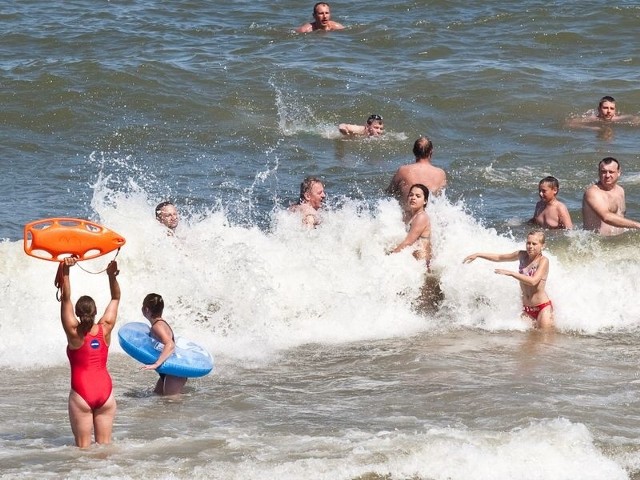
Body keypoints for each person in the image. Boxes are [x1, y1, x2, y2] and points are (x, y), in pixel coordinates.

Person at [60, 257, 121, 448]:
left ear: (78, 313)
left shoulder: (74, 332)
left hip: (82, 393)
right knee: (104, 450)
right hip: (106, 393)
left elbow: (65, 298)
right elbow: (115, 298)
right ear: (95, 311)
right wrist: (111, 276)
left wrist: (66, 271)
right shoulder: (106, 328)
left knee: (83, 452)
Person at [463, 231, 553, 329]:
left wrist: (511, 273)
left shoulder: (543, 261)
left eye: (534, 244)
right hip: (527, 309)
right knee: (527, 342)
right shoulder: (521, 255)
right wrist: (478, 254)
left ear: (542, 246)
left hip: (542, 308)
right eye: (528, 243)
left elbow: (533, 281)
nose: (530, 246)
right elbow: (499, 257)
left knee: (545, 341)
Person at [141, 293, 187, 396]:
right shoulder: (159, 324)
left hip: (174, 372)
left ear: (146, 309)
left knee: (171, 402)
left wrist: (157, 364)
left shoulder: (158, 326)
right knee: (157, 395)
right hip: (168, 369)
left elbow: (170, 344)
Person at [387, 136, 447, 212]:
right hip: (429, 217)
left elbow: (390, 192)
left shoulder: (403, 171)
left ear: (414, 151)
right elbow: (441, 199)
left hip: (407, 218)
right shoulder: (440, 174)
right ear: (431, 152)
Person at [582, 157, 640, 235]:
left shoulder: (620, 190)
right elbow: (606, 217)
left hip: (618, 242)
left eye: (611, 172)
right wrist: (637, 225)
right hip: (599, 243)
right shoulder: (593, 193)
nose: (607, 175)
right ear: (599, 173)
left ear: (619, 172)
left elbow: (620, 218)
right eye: (603, 172)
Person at [390, 184, 432, 268]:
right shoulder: (412, 216)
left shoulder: (421, 217)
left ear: (425, 201)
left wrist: (390, 256)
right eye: (411, 195)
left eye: (418, 196)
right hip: (415, 263)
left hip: (422, 265)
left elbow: (409, 242)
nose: (413, 198)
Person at [566, 95, 640, 129]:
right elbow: (569, 123)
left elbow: (635, 117)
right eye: (605, 108)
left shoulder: (617, 118)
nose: (608, 111)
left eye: (611, 108)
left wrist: (636, 122)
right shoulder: (593, 118)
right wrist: (591, 127)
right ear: (599, 109)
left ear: (615, 110)